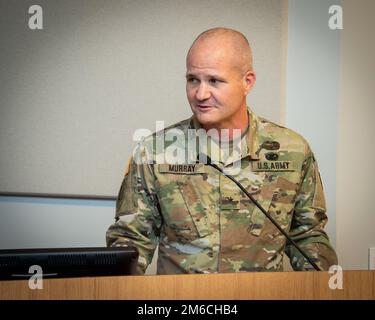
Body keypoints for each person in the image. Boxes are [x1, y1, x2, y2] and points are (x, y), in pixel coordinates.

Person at [106, 27, 338, 274]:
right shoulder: (154, 152)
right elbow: (131, 240)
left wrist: (325, 289)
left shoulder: (292, 151)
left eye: (214, 81)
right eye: (193, 79)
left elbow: (308, 236)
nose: (200, 94)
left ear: (247, 82)